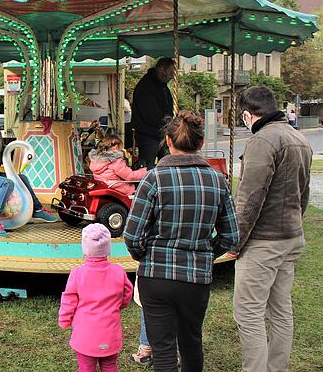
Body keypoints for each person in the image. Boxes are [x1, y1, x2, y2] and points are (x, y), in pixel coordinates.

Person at [124, 111, 239, 372]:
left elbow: (132, 235)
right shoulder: (217, 181)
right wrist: (206, 252)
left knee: (163, 351)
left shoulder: (153, 179)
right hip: (196, 277)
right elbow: (231, 236)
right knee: (191, 343)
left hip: (157, 276)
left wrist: (147, 254)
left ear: (168, 140)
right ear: (200, 144)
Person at [231, 86, 312, 372]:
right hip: (290, 236)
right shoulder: (299, 138)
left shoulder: (263, 140)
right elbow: (304, 194)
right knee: (280, 309)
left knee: (248, 312)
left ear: (246, 115)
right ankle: (278, 367)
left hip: (264, 240)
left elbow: (250, 198)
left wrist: (235, 242)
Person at [58, 223, 133, 372]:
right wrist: (119, 305)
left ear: (85, 250)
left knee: (86, 367)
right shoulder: (118, 271)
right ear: (108, 248)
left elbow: (69, 300)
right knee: (110, 366)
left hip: (85, 335)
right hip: (110, 334)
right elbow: (127, 292)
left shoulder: (77, 273)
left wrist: (64, 320)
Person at [131, 58, 175, 169]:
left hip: (159, 132)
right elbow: (150, 114)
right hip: (149, 134)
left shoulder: (161, 86)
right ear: (162, 70)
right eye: (170, 72)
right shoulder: (146, 86)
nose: (172, 75)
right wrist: (167, 123)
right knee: (147, 166)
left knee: (167, 163)